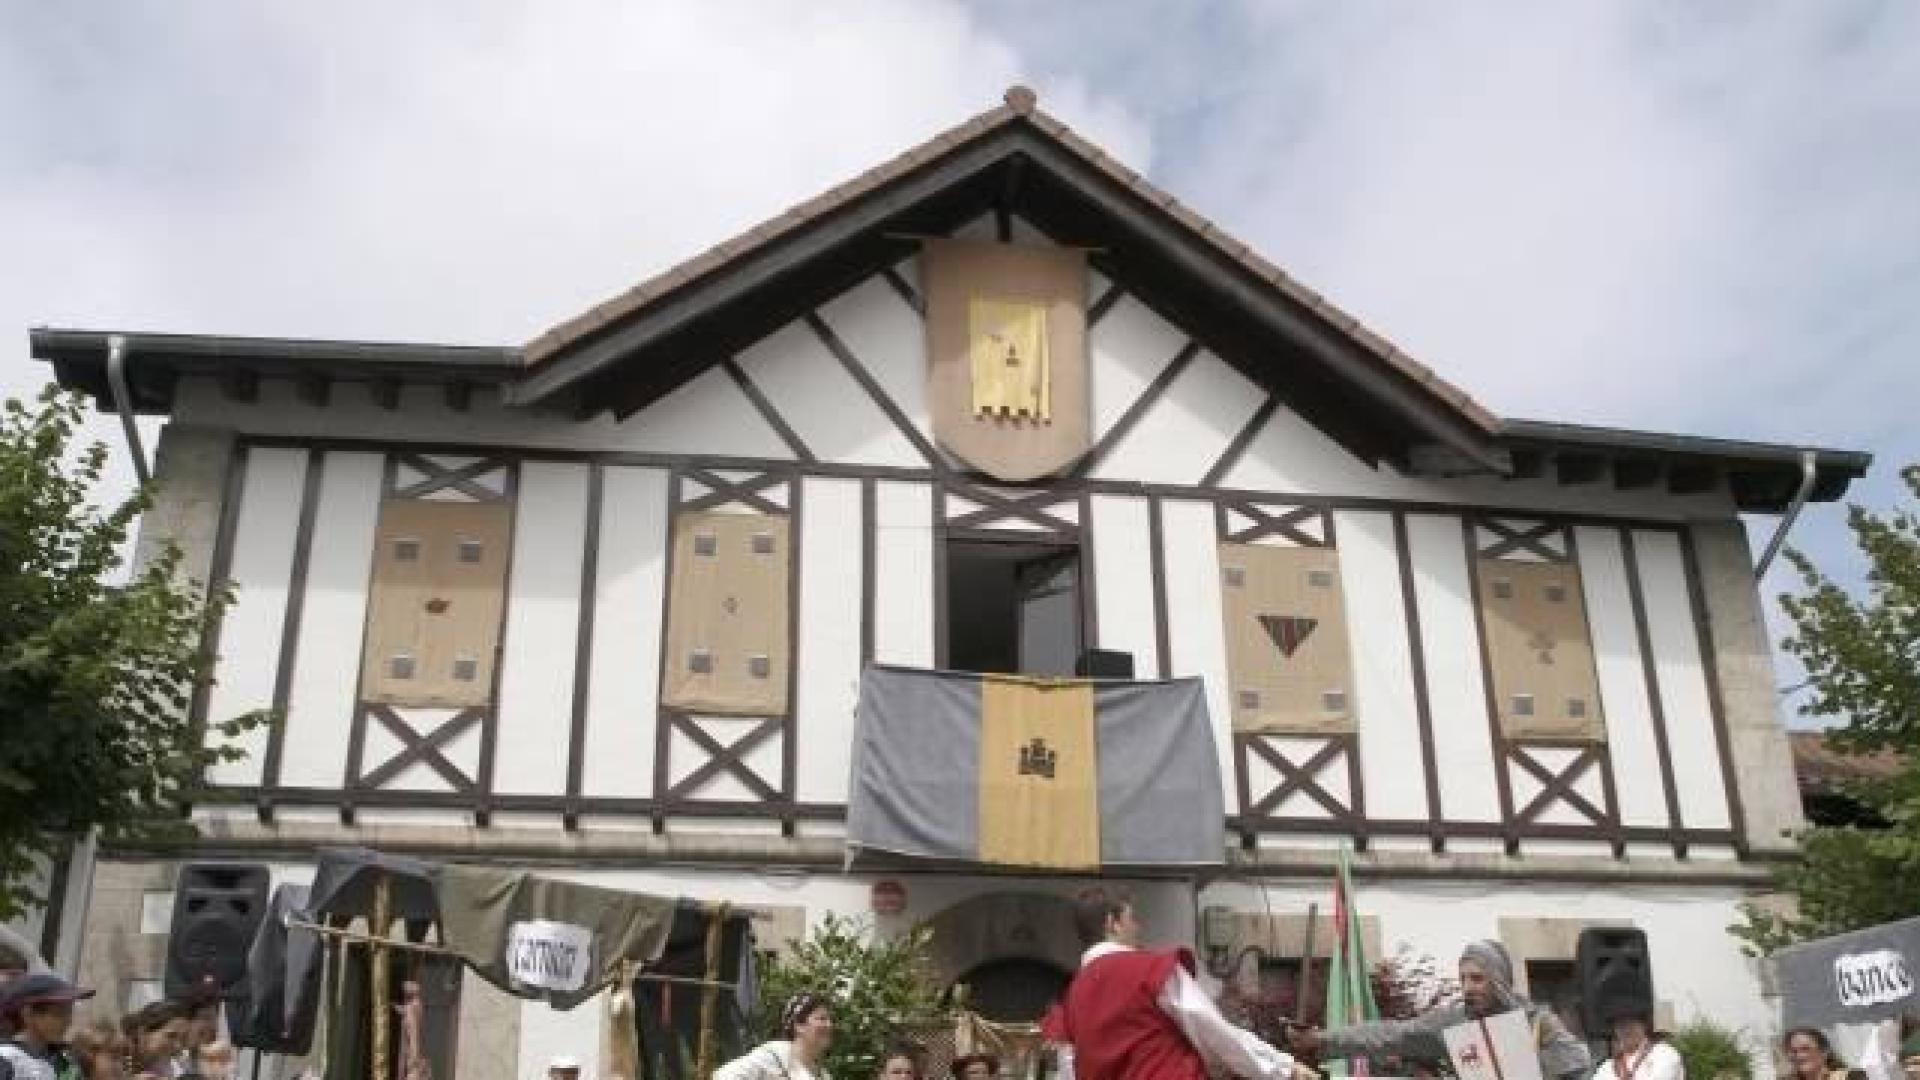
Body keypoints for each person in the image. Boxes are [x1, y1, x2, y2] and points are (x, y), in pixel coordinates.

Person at [1044, 887, 1295, 1080]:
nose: (1138, 927)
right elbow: (1212, 1029)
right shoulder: (1148, 970)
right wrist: (1282, 1068)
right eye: (1132, 918)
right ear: (1112, 923)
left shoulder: (1072, 996)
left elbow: (1069, 1069)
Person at [1288, 940, 1590, 1080]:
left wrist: (1522, 1060)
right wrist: (1323, 1038)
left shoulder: (1535, 1020)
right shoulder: (1454, 1023)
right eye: (1463, 979)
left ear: (1500, 980)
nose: (1468, 987)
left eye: (1477, 978)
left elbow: (1578, 1060)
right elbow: (1392, 1034)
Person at [713, 993, 834, 1080]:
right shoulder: (775, 1055)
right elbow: (725, 1075)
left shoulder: (823, 1075)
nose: (829, 1025)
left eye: (829, 1019)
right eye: (822, 1019)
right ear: (799, 1026)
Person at [0, 971, 94, 1080]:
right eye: (59, 1013)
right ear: (28, 1014)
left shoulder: (66, 1062)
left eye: (69, 1013)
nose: (68, 1021)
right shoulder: (7, 1059)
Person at [1589, 1011, 1681, 1080]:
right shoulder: (1607, 1066)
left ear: (1644, 1026)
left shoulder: (1664, 1053)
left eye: (1631, 1024)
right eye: (1620, 1025)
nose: (1625, 1030)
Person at [120, 1003, 189, 1080]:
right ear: (142, 1032)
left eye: (182, 1039)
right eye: (171, 1036)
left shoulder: (167, 1065)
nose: (177, 1045)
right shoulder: (117, 1057)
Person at [1782, 1028, 1864, 1080]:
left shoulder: (1850, 1077)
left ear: (1824, 1051)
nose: (1799, 1056)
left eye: (1806, 1049)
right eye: (1793, 1051)